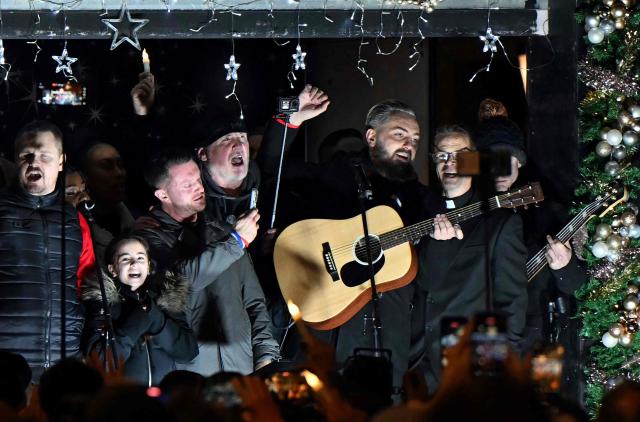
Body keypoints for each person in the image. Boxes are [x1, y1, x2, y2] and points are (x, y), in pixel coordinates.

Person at [257, 95, 459, 393]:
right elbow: (270, 171)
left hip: (386, 341)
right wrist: (290, 121)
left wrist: (443, 239)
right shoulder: (336, 175)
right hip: (325, 332)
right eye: (400, 135)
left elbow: (430, 278)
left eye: (415, 139)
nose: (409, 144)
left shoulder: (420, 198)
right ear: (372, 136)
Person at [474, 104, 586, 400]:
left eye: (505, 160)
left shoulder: (547, 210)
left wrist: (565, 266)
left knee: (543, 407)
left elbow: (576, 285)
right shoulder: (468, 211)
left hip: (540, 332)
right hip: (484, 333)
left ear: (519, 163)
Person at [415, 124, 528, 392]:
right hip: (416, 363)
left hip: (467, 365)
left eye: (459, 154)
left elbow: (511, 303)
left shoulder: (499, 223)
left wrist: (499, 372)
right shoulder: (418, 212)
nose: (450, 162)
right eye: (442, 155)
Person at [136, 148, 268, 376]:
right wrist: (236, 242)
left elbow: (254, 300)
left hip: (240, 368)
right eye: (188, 184)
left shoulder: (223, 232)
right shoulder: (146, 239)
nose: (199, 188)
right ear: (163, 195)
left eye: (198, 179)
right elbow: (181, 281)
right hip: (189, 375)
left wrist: (266, 355)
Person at [0, 120, 95, 382]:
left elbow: (87, 286)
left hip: (63, 367)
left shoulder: (76, 221)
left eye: (44, 156)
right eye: (26, 156)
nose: (34, 162)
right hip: (7, 372)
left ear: (61, 161)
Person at [82, 234, 199, 386]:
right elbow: (100, 362)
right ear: (113, 269)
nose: (134, 264)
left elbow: (188, 352)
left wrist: (157, 319)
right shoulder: (102, 304)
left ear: (149, 266)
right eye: (125, 259)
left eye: (140, 258)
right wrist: (135, 321)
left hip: (162, 401)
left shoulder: (165, 299)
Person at [79, 142, 135, 261]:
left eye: (120, 165)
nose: (119, 173)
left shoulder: (138, 220)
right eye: (106, 166)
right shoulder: (73, 230)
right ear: (85, 177)